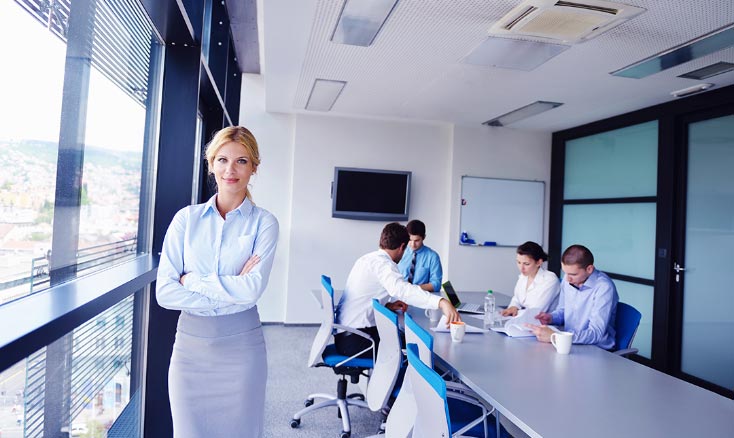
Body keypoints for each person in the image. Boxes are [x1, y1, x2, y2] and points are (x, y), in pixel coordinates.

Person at [156, 126, 279, 438]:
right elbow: (165, 292)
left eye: (241, 161)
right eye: (222, 160)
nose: (230, 169)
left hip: (241, 351)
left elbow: (251, 291)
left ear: (254, 167)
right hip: (189, 353)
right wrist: (230, 289)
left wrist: (193, 280)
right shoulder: (186, 220)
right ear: (211, 164)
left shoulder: (264, 223)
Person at [335, 222, 460, 358]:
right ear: (402, 247)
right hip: (356, 340)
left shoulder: (366, 259)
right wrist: (442, 302)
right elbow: (403, 291)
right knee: (417, 346)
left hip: (346, 334)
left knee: (405, 338)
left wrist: (387, 305)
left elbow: (366, 297)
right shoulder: (384, 265)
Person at [526, 244, 618, 349]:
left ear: (589, 269)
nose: (568, 279)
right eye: (565, 273)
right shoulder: (568, 278)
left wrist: (556, 336)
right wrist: (551, 318)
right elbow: (563, 310)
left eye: (573, 275)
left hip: (595, 348)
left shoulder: (604, 287)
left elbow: (596, 334)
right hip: (570, 342)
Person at [501, 241, 560, 317]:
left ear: (539, 262)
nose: (521, 268)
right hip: (523, 320)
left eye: (526, 264)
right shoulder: (523, 277)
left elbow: (535, 311)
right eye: (518, 262)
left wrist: (516, 311)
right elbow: (516, 299)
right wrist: (513, 307)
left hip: (543, 324)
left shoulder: (550, 280)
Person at [397, 219, 443, 292]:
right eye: (410, 240)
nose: (413, 244)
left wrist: (413, 289)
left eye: (417, 240)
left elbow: (436, 284)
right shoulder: (399, 252)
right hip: (399, 295)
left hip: (421, 296)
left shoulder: (433, 256)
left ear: (424, 237)